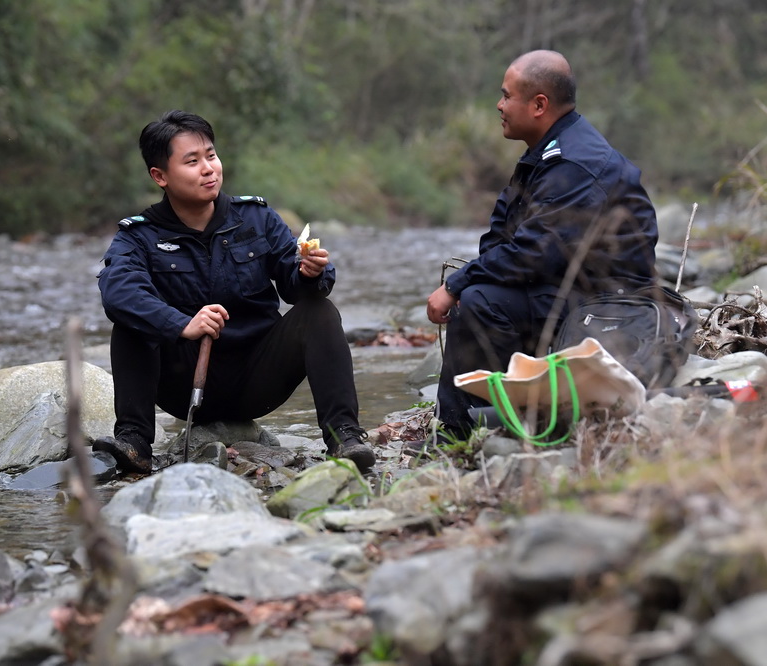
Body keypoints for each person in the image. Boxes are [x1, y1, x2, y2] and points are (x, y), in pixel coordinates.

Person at [95, 110, 374, 474]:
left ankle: (345, 437)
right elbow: (117, 290)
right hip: (184, 385)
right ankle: (134, 442)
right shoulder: (140, 236)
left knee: (319, 311)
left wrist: (309, 273)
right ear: (160, 176)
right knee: (131, 321)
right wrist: (181, 324)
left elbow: (294, 283)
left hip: (258, 378)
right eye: (192, 161)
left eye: (211, 155)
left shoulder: (256, 218)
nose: (208, 168)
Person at [426, 50, 659, 435]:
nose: (499, 106)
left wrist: (455, 284)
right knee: (482, 292)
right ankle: (491, 411)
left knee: (481, 304)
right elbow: (502, 237)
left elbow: (531, 255)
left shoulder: (574, 164)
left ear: (539, 104)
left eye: (506, 96)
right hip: (569, 290)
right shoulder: (547, 153)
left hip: (608, 309)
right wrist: (472, 279)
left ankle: (459, 431)